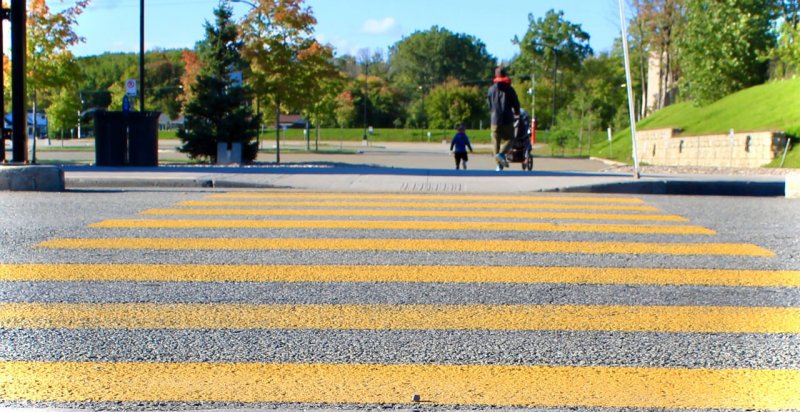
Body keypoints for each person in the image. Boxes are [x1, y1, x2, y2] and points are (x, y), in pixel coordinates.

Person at [487, 66, 520, 171]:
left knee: (495, 141)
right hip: (507, 119)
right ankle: (501, 154)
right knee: (510, 138)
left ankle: (499, 165)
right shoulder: (510, 89)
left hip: (495, 120)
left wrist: (492, 112)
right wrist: (517, 112)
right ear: (505, 75)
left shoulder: (491, 89)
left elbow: (489, 105)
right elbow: (516, 104)